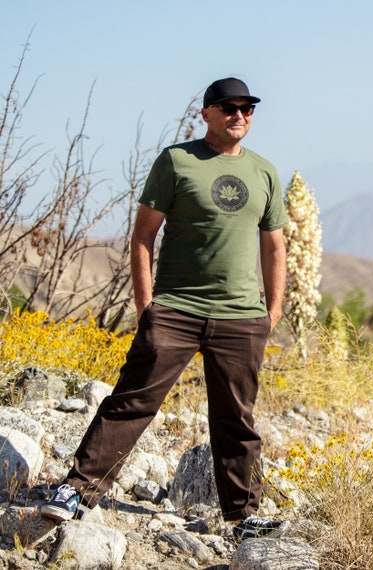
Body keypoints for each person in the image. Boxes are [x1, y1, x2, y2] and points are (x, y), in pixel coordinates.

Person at [41, 77, 289, 541]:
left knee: (237, 418)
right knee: (133, 401)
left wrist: (270, 312)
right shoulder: (177, 161)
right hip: (176, 307)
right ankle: (77, 489)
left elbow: (274, 246)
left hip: (241, 316)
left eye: (248, 108)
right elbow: (141, 237)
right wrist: (146, 306)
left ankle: (242, 517)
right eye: (229, 107)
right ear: (207, 114)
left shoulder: (265, 172)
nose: (240, 115)